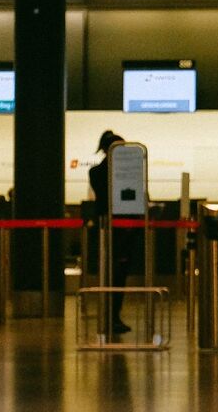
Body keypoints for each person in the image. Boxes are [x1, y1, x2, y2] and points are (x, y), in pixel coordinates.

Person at [89, 130, 135, 334]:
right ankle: (110, 316)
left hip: (122, 229)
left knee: (119, 273)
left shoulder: (121, 172)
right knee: (112, 274)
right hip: (109, 229)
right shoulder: (99, 172)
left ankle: (114, 315)